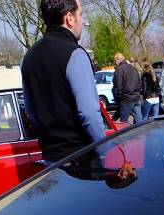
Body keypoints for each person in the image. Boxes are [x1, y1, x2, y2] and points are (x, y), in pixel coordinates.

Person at [21, 0, 105, 167]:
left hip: (50, 159)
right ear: (69, 18)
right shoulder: (75, 54)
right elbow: (89, 112)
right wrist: (106, 148)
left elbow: (30, 109)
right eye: (80, 15)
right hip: (82, 159)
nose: (82, 21)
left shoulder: (29, 57)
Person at [113, 52, 142, 124]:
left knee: (124, 121)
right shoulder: (133, 68)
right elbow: (140, 83)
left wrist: (120, 96)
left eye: (115, 61)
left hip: (126, 98)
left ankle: (127, 135)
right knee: (139, 121)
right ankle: (141, 134)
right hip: (136, 97)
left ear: (118, 60)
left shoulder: (119, 70)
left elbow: (118, 85)